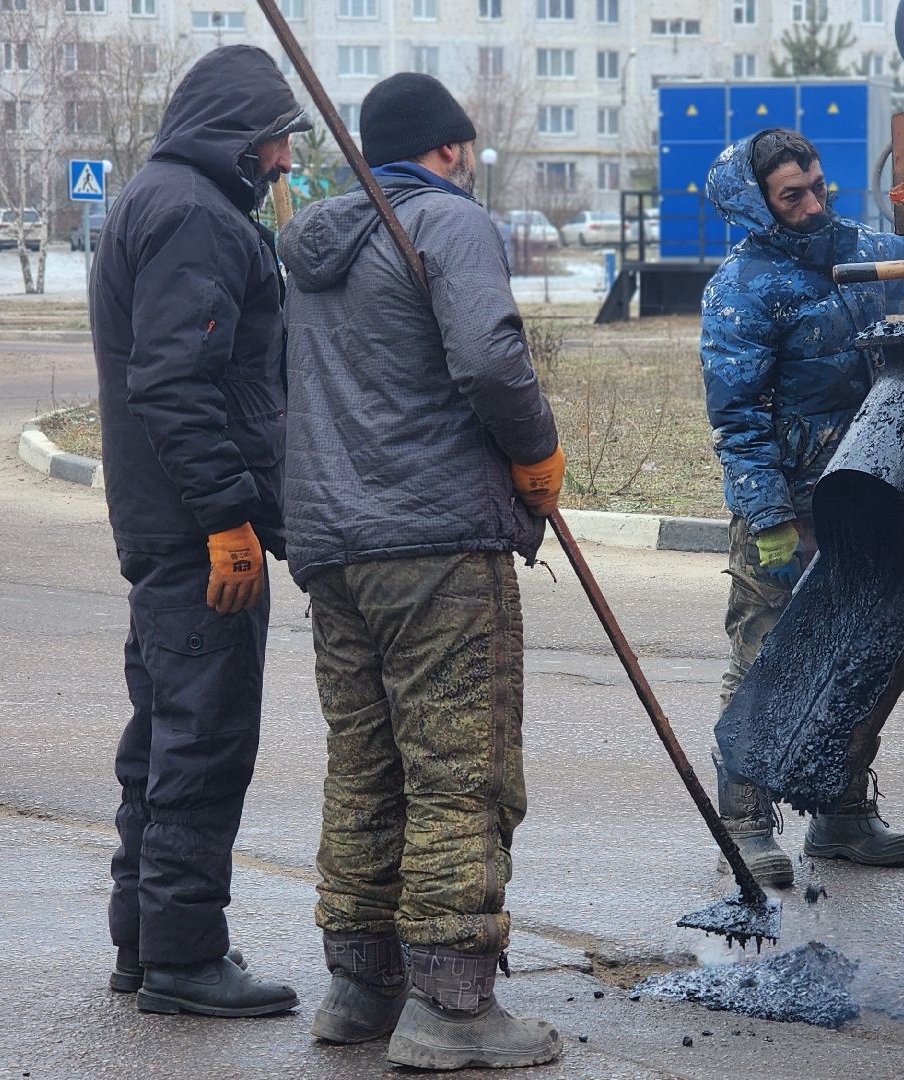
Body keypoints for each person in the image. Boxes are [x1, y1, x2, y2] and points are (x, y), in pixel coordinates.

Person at [278, 72, 567, 1071]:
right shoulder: (447, 224)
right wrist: (535, 451)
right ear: (446, 149)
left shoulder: (315, 246)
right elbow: (490, 361)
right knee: (458, 771)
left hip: (332, 546)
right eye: (468, 150)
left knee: (366, 768)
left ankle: (360, 991)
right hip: (437, 539)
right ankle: (451, 1008)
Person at [88, 44, 310, 1018]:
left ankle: (146, 944)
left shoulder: (162, 199)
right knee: (203, 740)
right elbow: (177, 383)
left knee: (164, 736)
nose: (286, 164)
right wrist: (227, 517)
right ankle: (183, 959)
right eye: (277, 141)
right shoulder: (193, 215)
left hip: (165, 518)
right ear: (238, 134)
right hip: (194, 529)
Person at [700, 128, 904, 886]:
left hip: (861, 492)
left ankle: (839, 815)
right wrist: (768, 516)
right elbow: (736, 420)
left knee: (858, 652)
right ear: (758, 204)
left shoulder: (853, 251)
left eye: (816, 186)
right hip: (786, 510)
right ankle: (742, 824)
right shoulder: (742, 289)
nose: (812, 205)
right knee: (766, 657)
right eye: (792, 195)